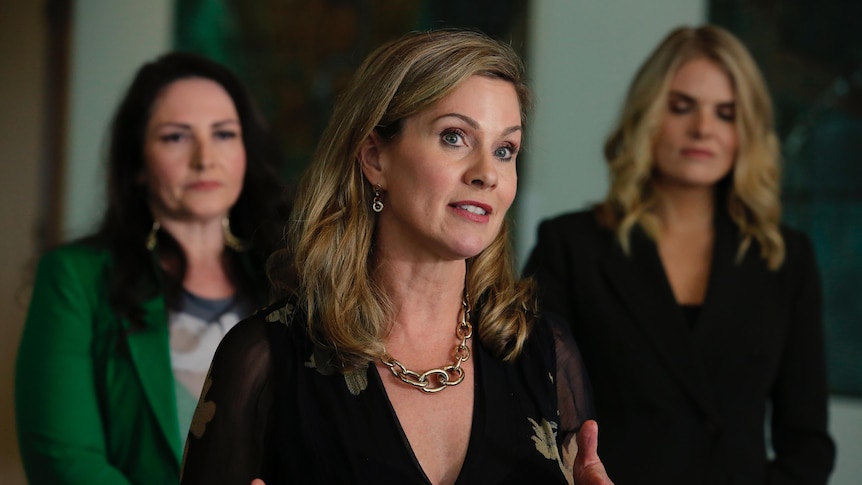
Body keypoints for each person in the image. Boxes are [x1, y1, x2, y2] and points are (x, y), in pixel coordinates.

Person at [180, 29, 612, 484]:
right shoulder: (265, 357)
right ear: (374, 158)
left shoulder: (542, 351)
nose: (488, 173)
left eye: (505, 149)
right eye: (454, 137)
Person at [524, 24, 835, 484]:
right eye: (681, 106)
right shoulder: (571, 244)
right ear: (647, 116)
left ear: (745, 130)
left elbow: (807, 441)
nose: (703, 128)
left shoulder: (786, 258)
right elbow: (531, 408)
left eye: (726, 113)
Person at [15, 52, 290, 484]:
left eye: (223, 134)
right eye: (176, 137)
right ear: (138, 163)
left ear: (246, 151)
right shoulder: (73, 276)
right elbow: (62, 461)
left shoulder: (292, 274)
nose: (205, 158)